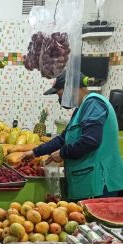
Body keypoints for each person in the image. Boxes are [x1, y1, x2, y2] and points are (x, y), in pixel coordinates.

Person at [22, 71, 123, 200]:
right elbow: (63, 138)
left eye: (60, 94)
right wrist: (35, 152)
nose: (60, 100)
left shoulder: (94, 103)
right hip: (87, 182)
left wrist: (62, 153)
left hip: (99, 183)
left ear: (71, 88)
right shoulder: (81, 108)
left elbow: (90, 141)